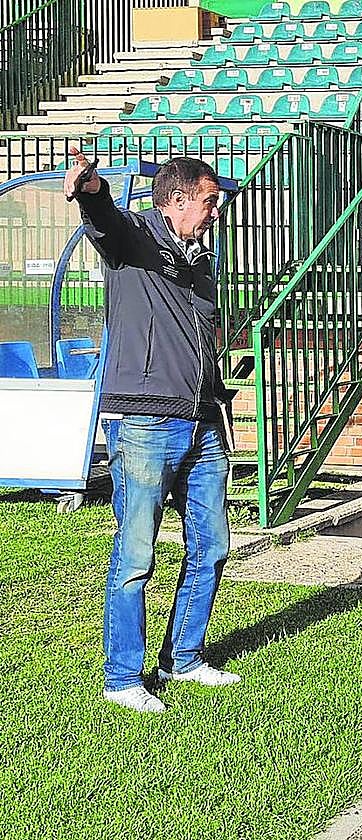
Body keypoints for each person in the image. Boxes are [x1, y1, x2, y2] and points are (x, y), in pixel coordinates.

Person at [65, 149, 239, 714]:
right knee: (136, 552)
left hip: (202, 420)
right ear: (179, 198)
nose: (216, 212)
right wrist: (91, 189)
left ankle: (182, 659)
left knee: (212, 546)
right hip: (145, 420)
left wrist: (216, 392)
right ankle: (122, 676)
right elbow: (105, 220)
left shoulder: (201, 262)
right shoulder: (136, 239)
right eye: (210, 202)